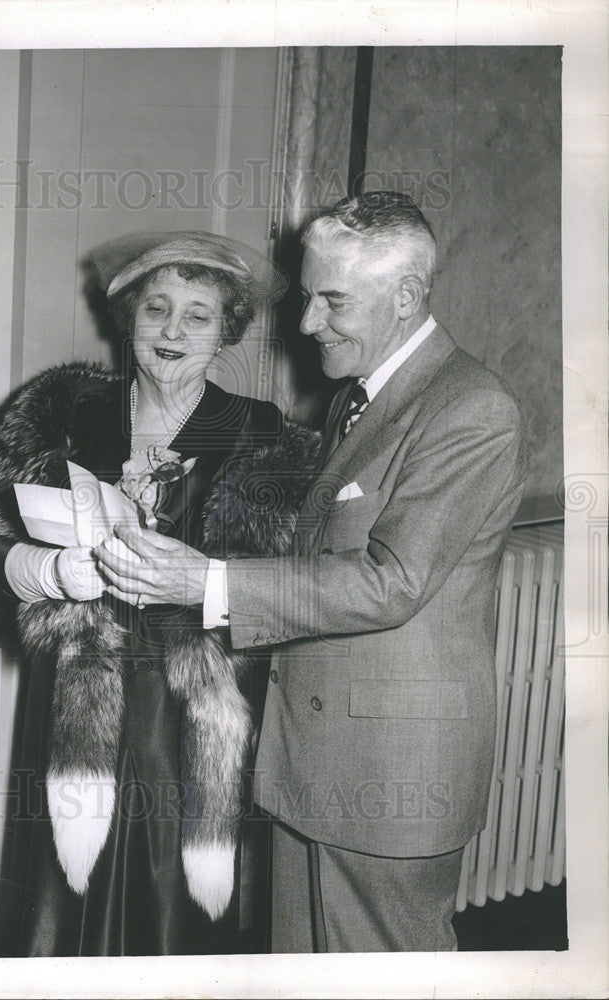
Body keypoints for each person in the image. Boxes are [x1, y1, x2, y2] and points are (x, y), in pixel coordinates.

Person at [94, 192, 528, 952]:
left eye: (331, 301)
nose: (303, 324)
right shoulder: (360, 397)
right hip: (311, 762)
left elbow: (389, 580)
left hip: (387, 778)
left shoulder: (468, 407)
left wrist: (210, 582)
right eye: (305, 297)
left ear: (404, 298)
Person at [0, 230, 318, 956]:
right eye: (155, 309)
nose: (171, 330)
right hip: (72, 697)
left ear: (227, 330)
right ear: (127, 321)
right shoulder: (62, 412)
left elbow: (288, 592)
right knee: (58, 896)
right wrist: (48, 572)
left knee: (166, 907)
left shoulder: (261, 435)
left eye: (197, 314)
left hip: (184, 713)